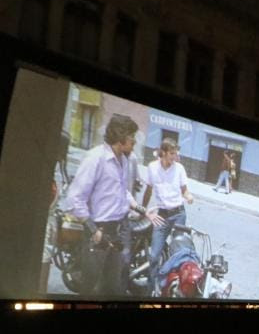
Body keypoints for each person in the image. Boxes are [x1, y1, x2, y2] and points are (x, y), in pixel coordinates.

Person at [63, 114, 147, 296]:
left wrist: (140, 209)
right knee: (91, 288)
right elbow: (75, 198)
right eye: (132, 137)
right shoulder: (96, 158)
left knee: (112, 287)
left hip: (116, 231)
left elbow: (122, 192)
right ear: (120, 136)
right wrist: (94, 230)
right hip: (98, 231)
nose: (134, 142)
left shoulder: (123, 160)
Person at [142, 140, 193, 295]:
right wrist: (143, 210)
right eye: (172, 153)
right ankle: (150, 291)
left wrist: (188, 196)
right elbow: (148, 190)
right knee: (153, 256)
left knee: (179, 254)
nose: (175, 156)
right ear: (163, 153)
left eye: (176, 153)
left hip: (178, 215)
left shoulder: (179, 168)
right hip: (162, 215)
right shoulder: (152, 167)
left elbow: (184, 190)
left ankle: (173, 290)